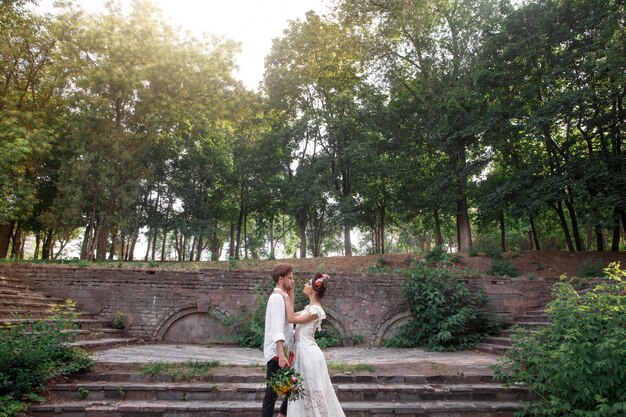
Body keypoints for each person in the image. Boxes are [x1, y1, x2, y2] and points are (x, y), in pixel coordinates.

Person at [279, 273, 346, 417]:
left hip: (309, 355)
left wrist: (285, 296)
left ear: (314, 290)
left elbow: (291, 318)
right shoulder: (308, 308)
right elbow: (289, 314)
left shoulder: (315, 310)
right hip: (302, 353)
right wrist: (289, 293)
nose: (305, 285)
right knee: (299, 391)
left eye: (308, 284)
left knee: (311, 392)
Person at [261, 263, 295, 417]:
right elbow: (277, 328)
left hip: (284, 352)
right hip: (277, 353)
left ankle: (282, 414)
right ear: (281, 279)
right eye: (290, 278)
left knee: (292, 387)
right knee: (271, 394)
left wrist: (290, 291)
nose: (293, 281)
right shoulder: (276, 298)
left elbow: (291, 317)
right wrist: (281, 354)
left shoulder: (282, 297)